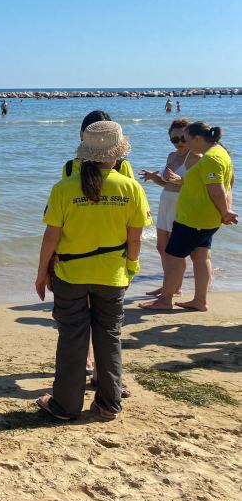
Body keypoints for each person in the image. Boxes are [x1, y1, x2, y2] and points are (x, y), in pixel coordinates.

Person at [35, 121, 150, 423]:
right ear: (116, 153)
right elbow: (134, 237)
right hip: (113, 275)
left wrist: (41, 272)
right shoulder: (131, 187)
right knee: (109, 335)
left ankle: (66, 405)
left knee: (72, 337)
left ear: (85, 152)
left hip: (70, 274)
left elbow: (51, 236)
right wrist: (132, 265)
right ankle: (109, 403)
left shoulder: (65, 187)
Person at [139, 122, 237, 311]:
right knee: (201, 258)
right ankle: (199, 301)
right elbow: (227, 184)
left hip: (194, 217)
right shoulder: (221, 154)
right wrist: (225, 211)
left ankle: (165, 300)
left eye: (186, 139)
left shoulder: (210, 158)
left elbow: (217, 189)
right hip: (206, 218)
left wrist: (226, 211)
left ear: (198, 138)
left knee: (174, 256)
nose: (184, 143)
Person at [138, 119, 200, 296]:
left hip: (181, 205)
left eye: (182, 138)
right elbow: (166, 183)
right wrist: (153, 177)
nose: (179, 142)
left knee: (175, 251)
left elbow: (199, 187)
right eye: (174, 139)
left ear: (190, 136)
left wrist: (180, 181)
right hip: (166, 202)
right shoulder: (171, 156)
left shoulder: (196, 158)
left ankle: (175, 287)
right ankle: (169, 283)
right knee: (161, 247)